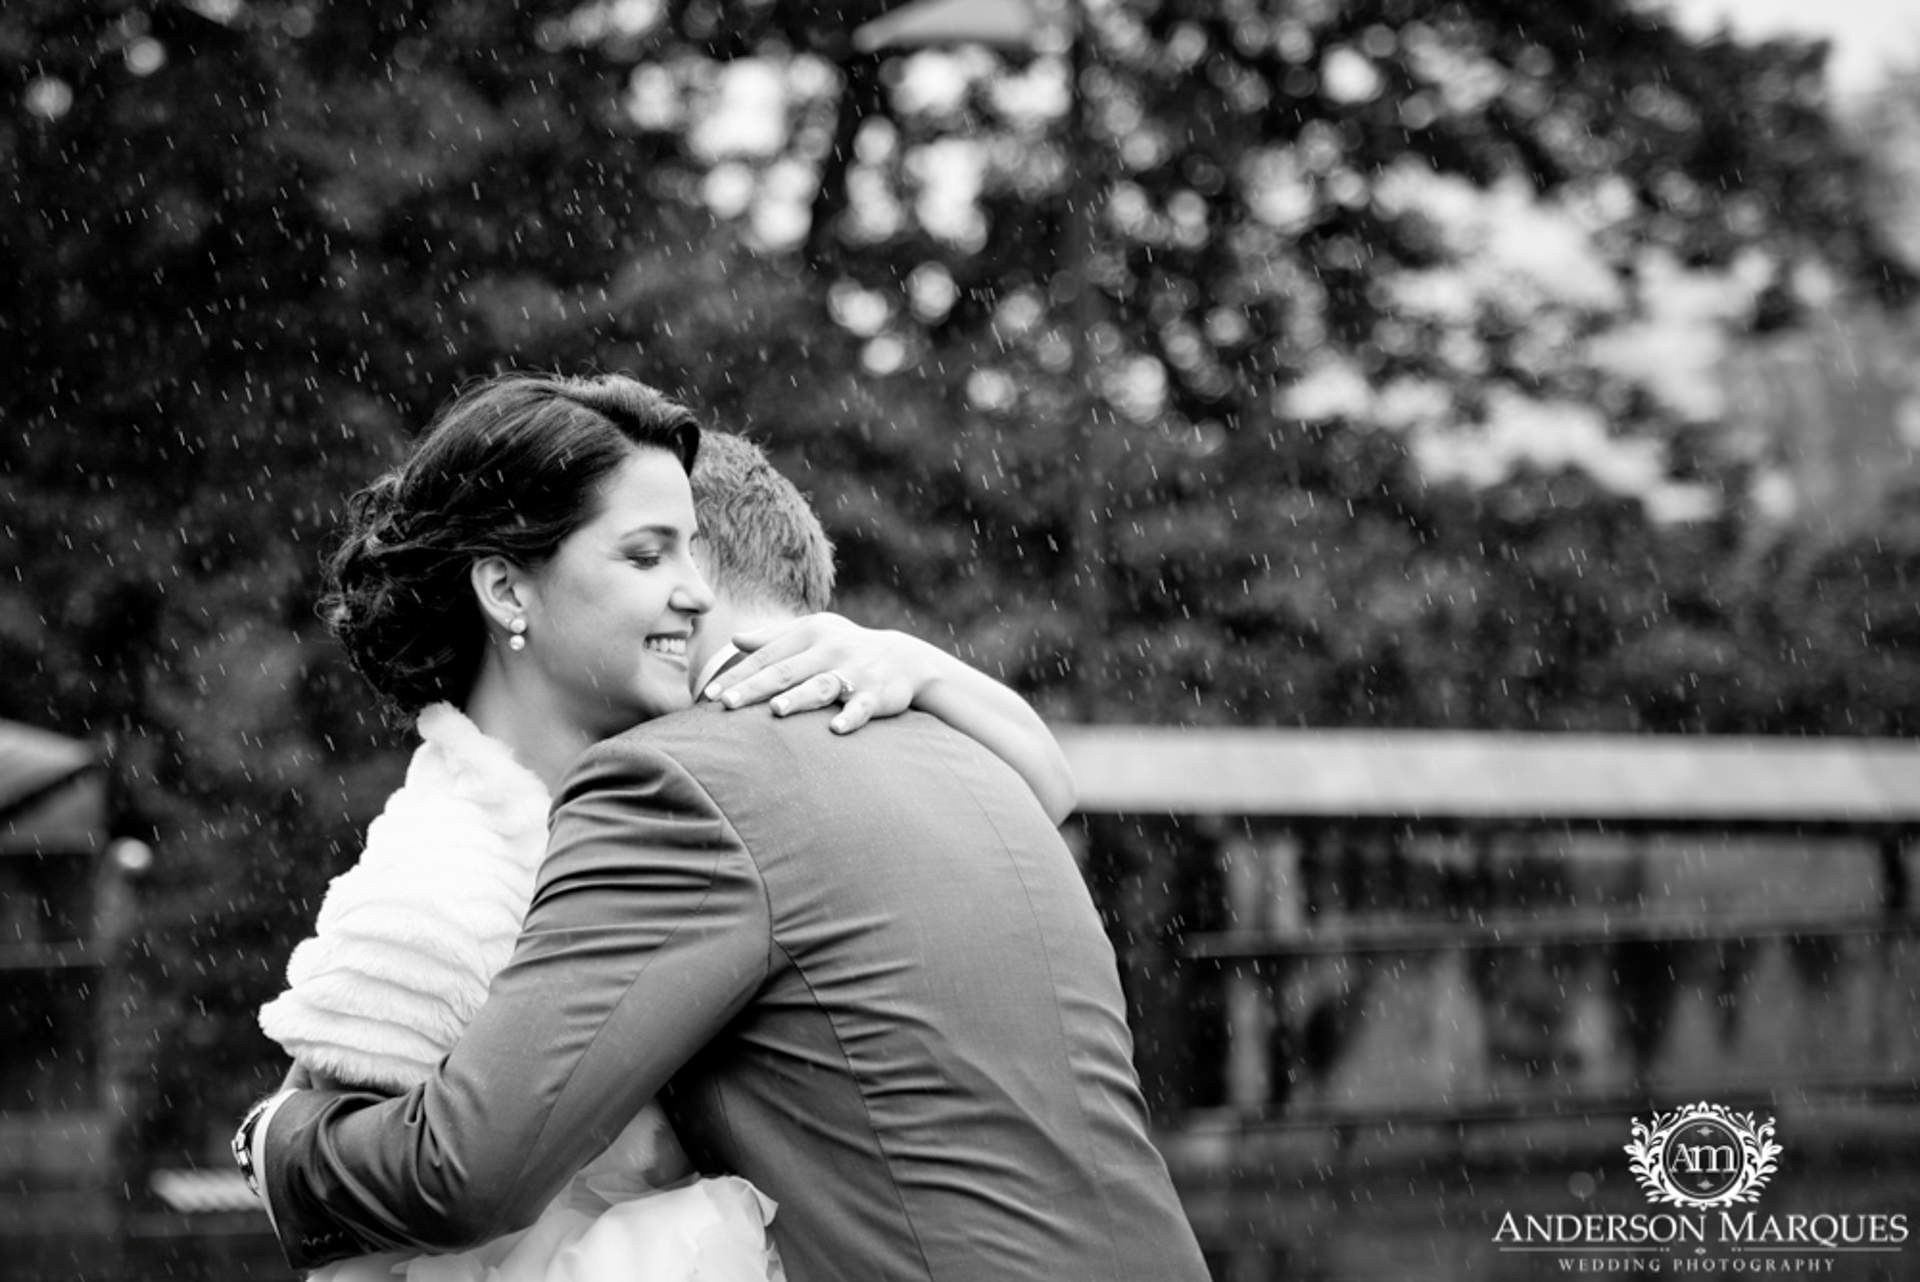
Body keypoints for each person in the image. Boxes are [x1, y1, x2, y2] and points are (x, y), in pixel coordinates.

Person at [242, 415, 1212, 1281]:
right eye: (643, 554)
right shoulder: (972, 759)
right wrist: (925, 664)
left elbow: (466, 1172)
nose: (678, 598)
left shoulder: (682, 781)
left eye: (674, 556)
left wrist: (272, 1140)